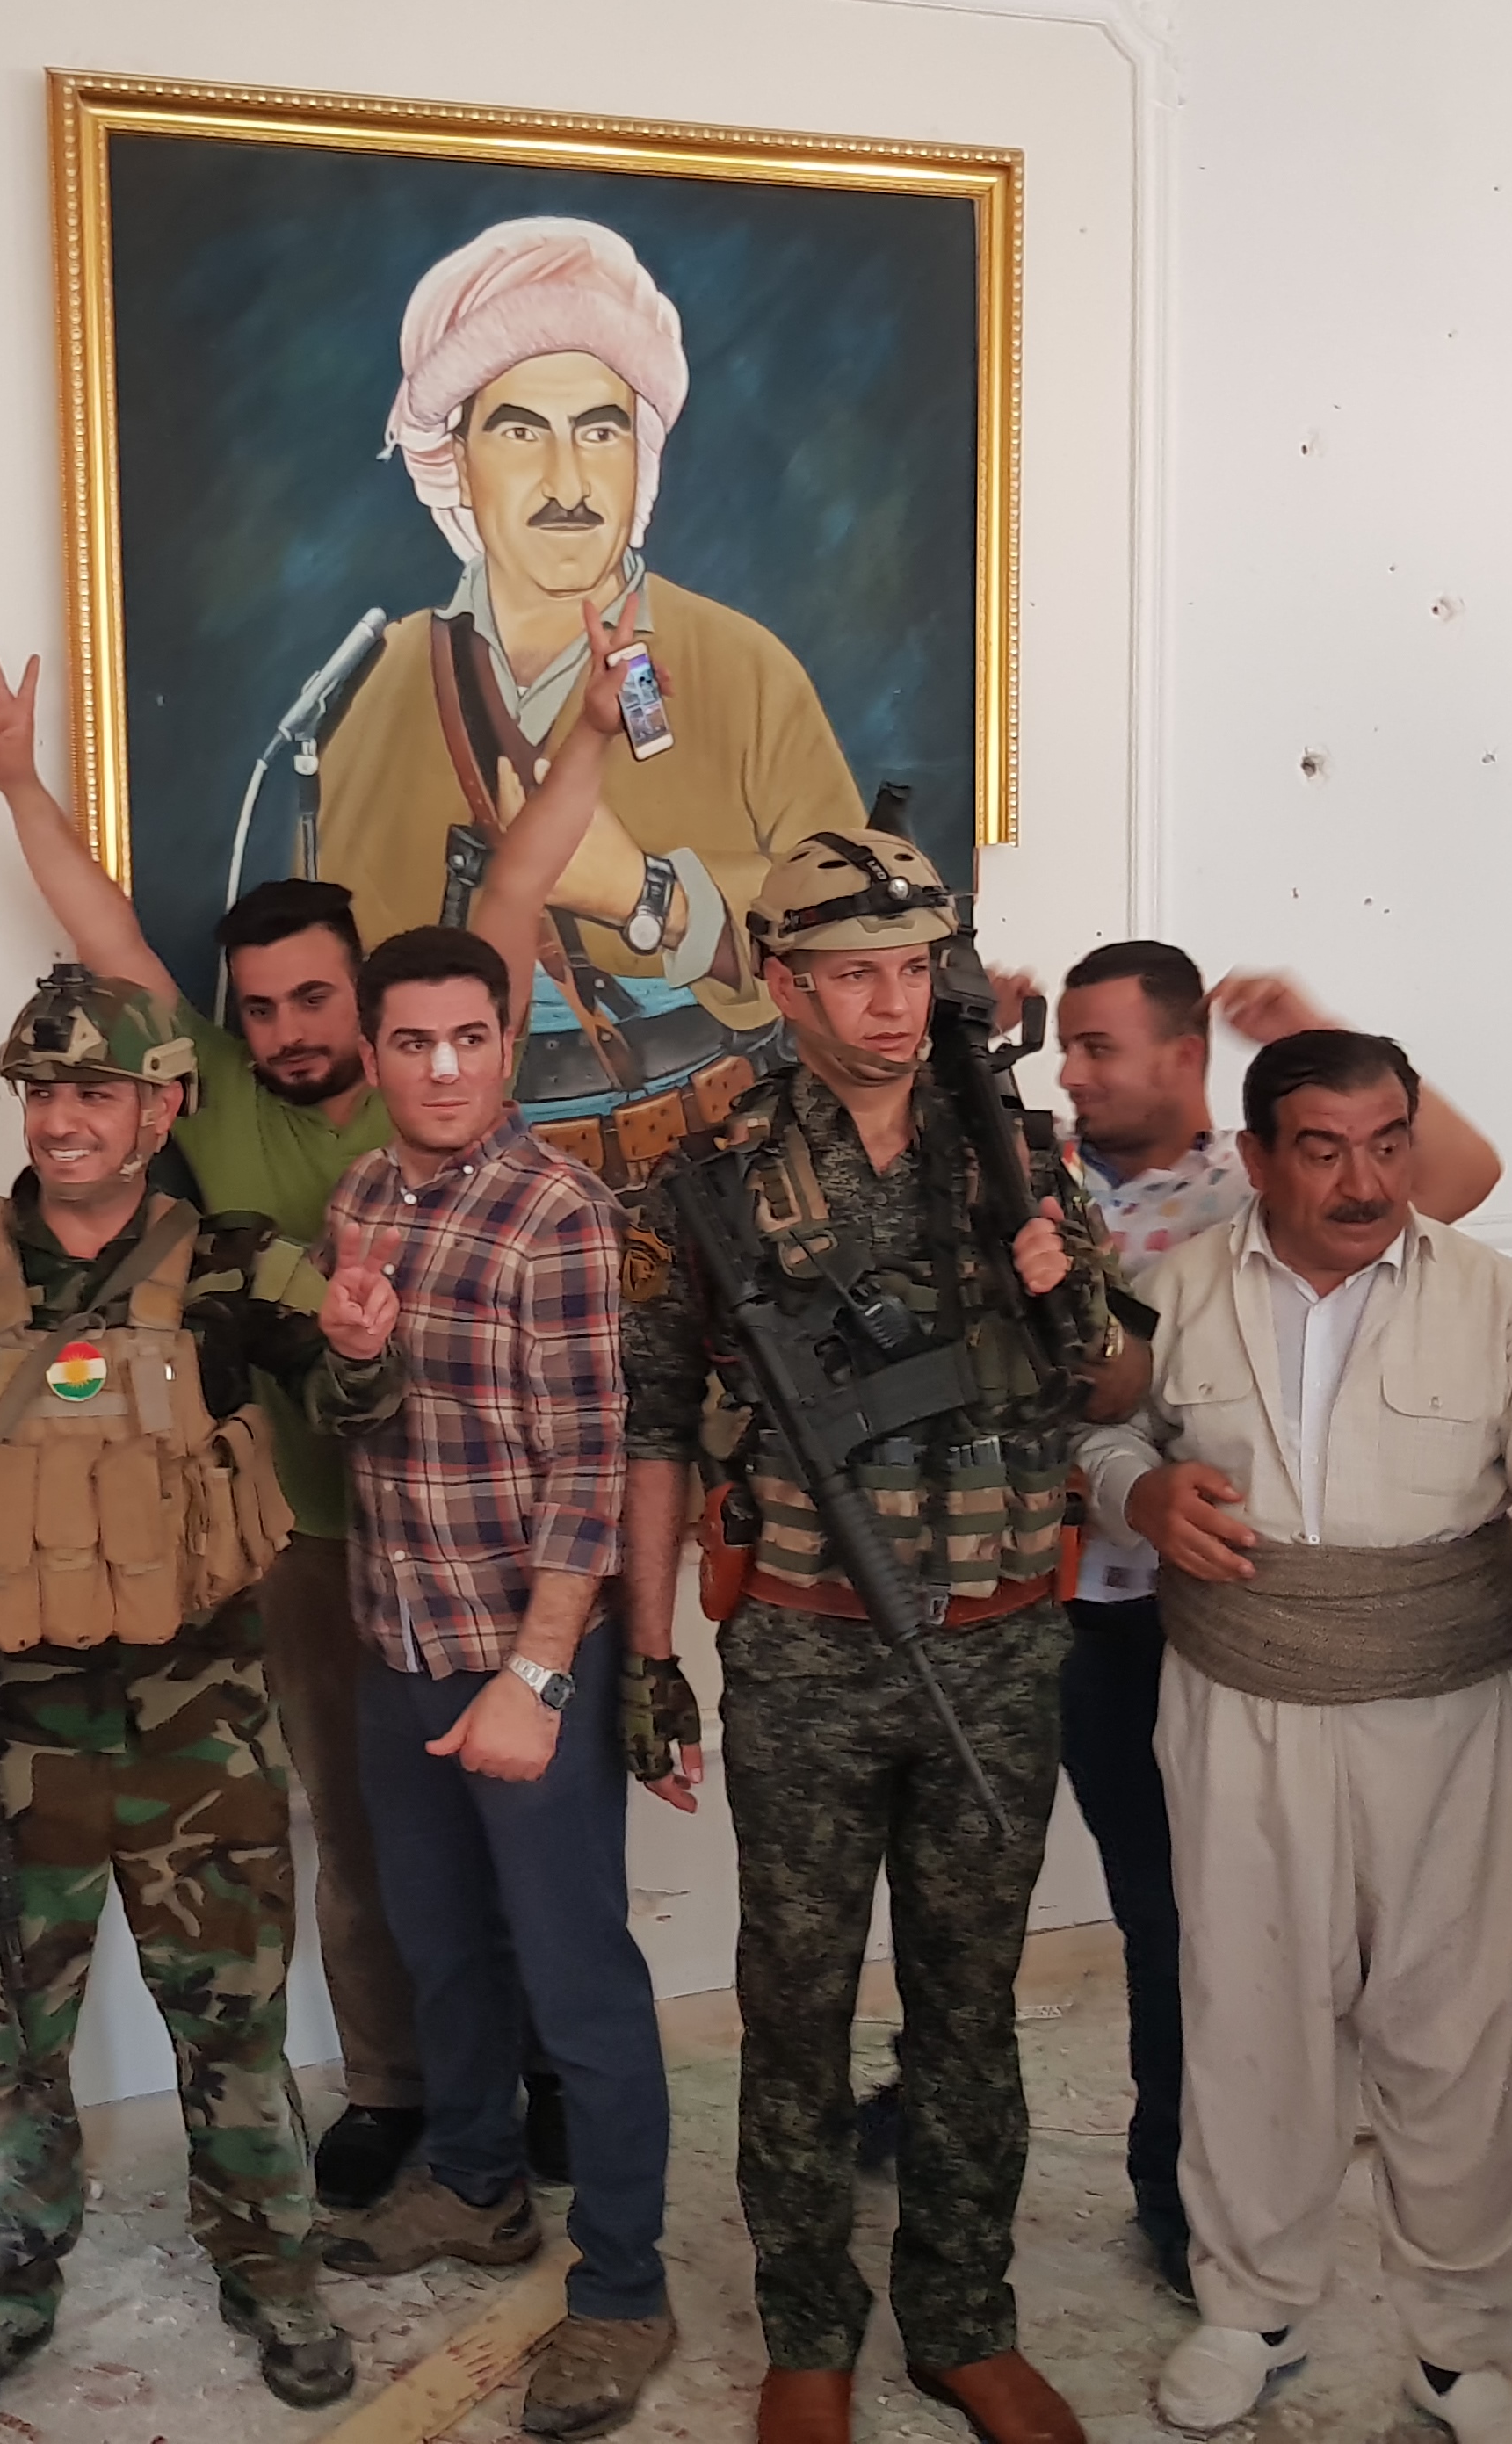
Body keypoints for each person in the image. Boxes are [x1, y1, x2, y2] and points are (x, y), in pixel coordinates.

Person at [0, 644, 594, 2212]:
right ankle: (394, 2085)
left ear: (373, 995)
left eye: (318, 995)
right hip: (316, 1529)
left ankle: (547, 2073)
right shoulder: (215, 1091)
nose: (293, 1026)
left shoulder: (424, 1065)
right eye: (263, 1007)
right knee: (369, 1833)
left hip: (510, 1524)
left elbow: (524, 865)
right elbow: (96, 930)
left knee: (533, 1825)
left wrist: (587, 724)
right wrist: (17, 779)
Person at [0, 966, 394, 2443]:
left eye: (96, 1091)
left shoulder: (236, 1264)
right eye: (42, 1090)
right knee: (7, 2034)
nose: (65, 1117)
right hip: (7, 1732)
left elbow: (353, 1412)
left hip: (204, 1728)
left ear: (159, 1103)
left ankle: (272, 2273)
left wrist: (369, 1346)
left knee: (234, 2022)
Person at [621, 829, 1147, 2444]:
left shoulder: (1022, 1154)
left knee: (968, 2000)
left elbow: (1118, 1387)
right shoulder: (700, 1177)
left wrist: (1066, 1288)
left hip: (997, 1639)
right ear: (780, 985)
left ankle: (963, 2314)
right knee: (789, 2001)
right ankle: (807, 2324)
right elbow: (652, 1428)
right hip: (805, 1644)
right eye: (853, 970)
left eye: (914, 966)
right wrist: (647, 1655)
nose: (892, 998)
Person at [1082, 1028, 1512, 2443]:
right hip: (1238, 1712)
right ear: (1258, 1159)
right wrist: (1138, 1498)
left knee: (1468, 2029)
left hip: (1453, 1717)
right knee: (1249, 2009)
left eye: (1388, 1142)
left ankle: (1463, 2347)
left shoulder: (1497, 1299)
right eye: (1324, 1148)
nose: (1365, 1178)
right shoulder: (1173, 1292)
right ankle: (1251, 2310)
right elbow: (1093, 1440)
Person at [1038, 940, 1509, 2295]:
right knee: (1125, 1907)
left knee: (1210, 1921)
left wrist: (1314, 1029)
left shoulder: (1249, 1191)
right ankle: (1168, 2180)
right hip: (1050, 1609)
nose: (1074, 1072)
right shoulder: (1040, 1187)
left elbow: (1458, 1180)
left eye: (1101, 1047)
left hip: (1206, 1626)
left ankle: (1196, 2204)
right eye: (1064, 1045)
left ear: (1190, 1060)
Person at [311, 923, 677, 2442]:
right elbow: (364, 1413)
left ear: (504, 1035)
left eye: (469, 1037)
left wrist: (535, 1670)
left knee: (576, 1976)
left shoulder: (560, 1212)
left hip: (523, 1654)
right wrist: (344, 1354)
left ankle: (623, 2284)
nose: (443, 1067)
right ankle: (473, 2188)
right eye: (412, 1041)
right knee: (439, 1945)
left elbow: (594, 1468)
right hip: (394, 1640)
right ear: (377, 1051)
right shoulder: (360, 1194)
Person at [311, 215, 868, 1182]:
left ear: (639, 456)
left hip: (722, 1179)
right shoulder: (385, 683)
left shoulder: (744, 666)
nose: (567, 480)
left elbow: (855, 936)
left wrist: (649, 896)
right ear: (457, 461)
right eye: (521, 431)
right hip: (475, 1189)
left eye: (598, 431)